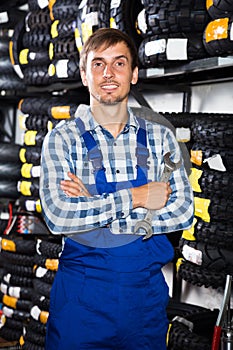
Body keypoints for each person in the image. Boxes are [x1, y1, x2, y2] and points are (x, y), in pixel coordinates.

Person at [39, 27, 194, 350]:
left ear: (134, 74)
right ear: (83, 75)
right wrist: (138, 198)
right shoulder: (62, 139)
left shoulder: (161, 137)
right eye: (98, 64)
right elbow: (60, 217)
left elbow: (182, 211)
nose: (108, 73)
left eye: (119, 63)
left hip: (146, 304)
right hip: (81, 306)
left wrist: (94, 208)